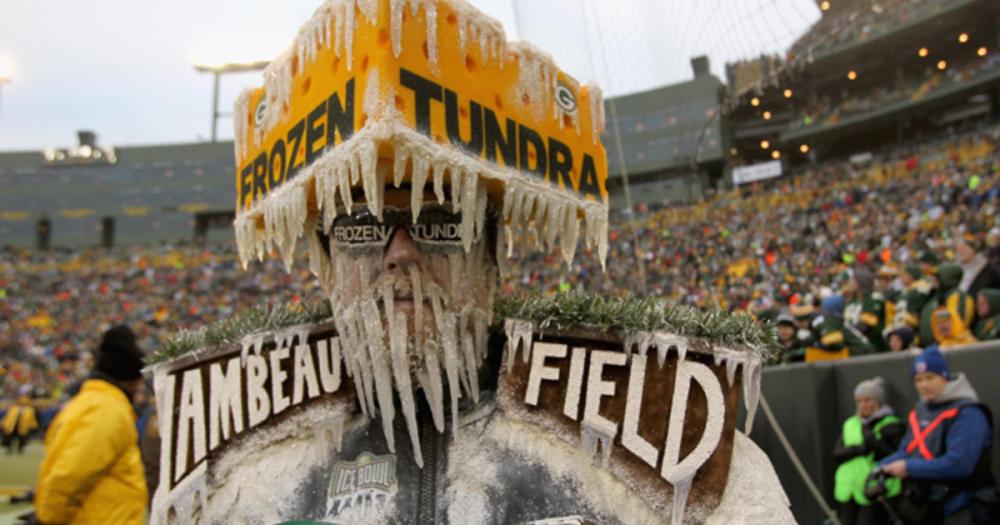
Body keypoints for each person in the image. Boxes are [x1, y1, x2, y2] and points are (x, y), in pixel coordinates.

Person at [34, 325, 148, 525]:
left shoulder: (92, 402)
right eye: (137, 383)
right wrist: (48, 520)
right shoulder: (106, 410)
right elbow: (69, 476)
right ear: (128, 380)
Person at [880, 347, 996, 524]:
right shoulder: (920, 410)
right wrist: (879, 469)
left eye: (930, 377)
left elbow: (959, 464)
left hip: (963, 506)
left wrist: (908, 468)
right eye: (918, 380)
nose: (924, 385)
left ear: (945, 377)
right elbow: (907, 450)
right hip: (929, 506)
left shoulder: (968, 413)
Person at [834, 377, 905, 525]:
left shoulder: (890, 424)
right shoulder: (851, 423)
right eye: (859, 401)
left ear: (878, 401)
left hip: (873, 489)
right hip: (848, 488)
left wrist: (874, 443)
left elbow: (894, 454)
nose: (863, 405)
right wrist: (860, 449)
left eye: (867, 400)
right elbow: (836, 453)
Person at [919, 263, 975, 348]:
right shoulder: (935, 297)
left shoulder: (957, 297)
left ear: (946, 278)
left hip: (951, 346)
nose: (933, 280)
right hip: (934, 347)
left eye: (937, 277)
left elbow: (955, 325)